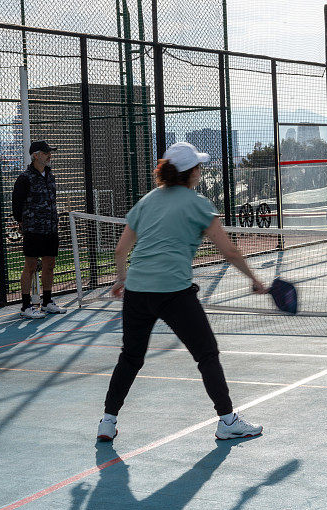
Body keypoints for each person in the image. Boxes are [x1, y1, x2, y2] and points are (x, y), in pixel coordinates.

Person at [97, 142, 267, 442]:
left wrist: (121, 279)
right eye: (199, 167)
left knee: (131, 357)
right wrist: (254, 279)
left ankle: (107, 421)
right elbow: (228, 250)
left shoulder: (146, 201)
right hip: (174, 291)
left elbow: (121, 249)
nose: (201, 171)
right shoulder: (199, 203)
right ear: (191, 173)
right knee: (207, 354)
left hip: (137, 291)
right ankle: (227, 422)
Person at [12, 141, 67, 318]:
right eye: (46, 152)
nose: (49, 155)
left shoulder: (50, 176)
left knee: (50, 265)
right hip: (33, 230)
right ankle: (26, 306)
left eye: (50, 152)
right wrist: (23, 223)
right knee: (30, 266)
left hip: (50, 228)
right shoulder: (24, 178)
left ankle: (47, 302)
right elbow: (16, 205)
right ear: (36, 155)